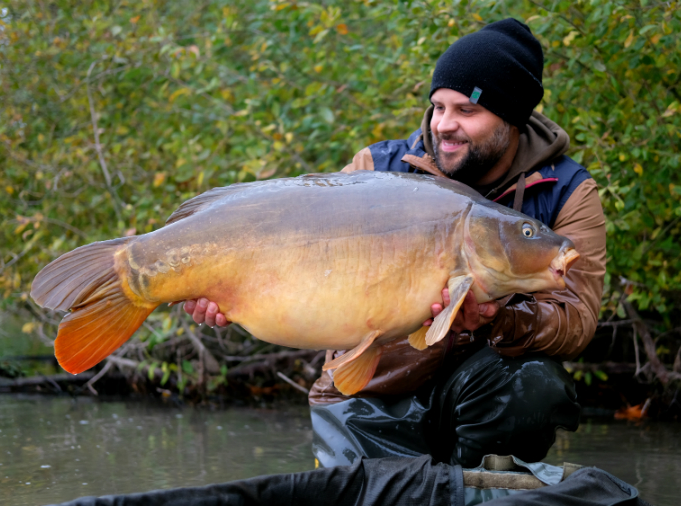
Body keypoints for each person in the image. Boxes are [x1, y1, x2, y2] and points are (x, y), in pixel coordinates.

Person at [184, 18, 606, 469]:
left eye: (467, 111)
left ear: (511, 117)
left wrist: (497, 320)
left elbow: (577, 319)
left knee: (535, 386)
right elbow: (298, 257)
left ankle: (482, 484)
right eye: (438, 107)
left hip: (482, 387)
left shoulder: (567, 191)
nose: (444, 125)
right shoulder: (376, 169)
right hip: (370, 385)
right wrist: (224, 289)